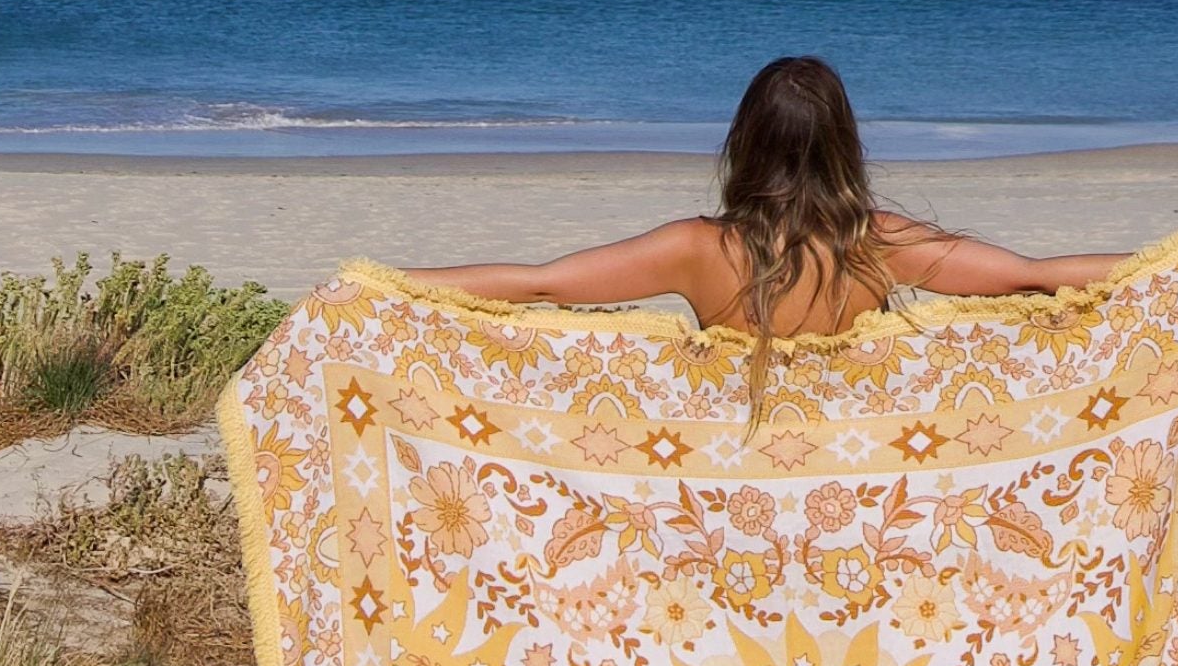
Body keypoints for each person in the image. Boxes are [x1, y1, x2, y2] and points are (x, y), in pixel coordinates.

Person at [408, 55, 1130, 408]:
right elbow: (1034, 276)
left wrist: (379, 286)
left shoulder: (696, 249)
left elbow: (541, 286)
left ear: (745, 142)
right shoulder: (876, 241)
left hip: (736, 477)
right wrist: (1177, 266)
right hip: (846, 476)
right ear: (843, 144)